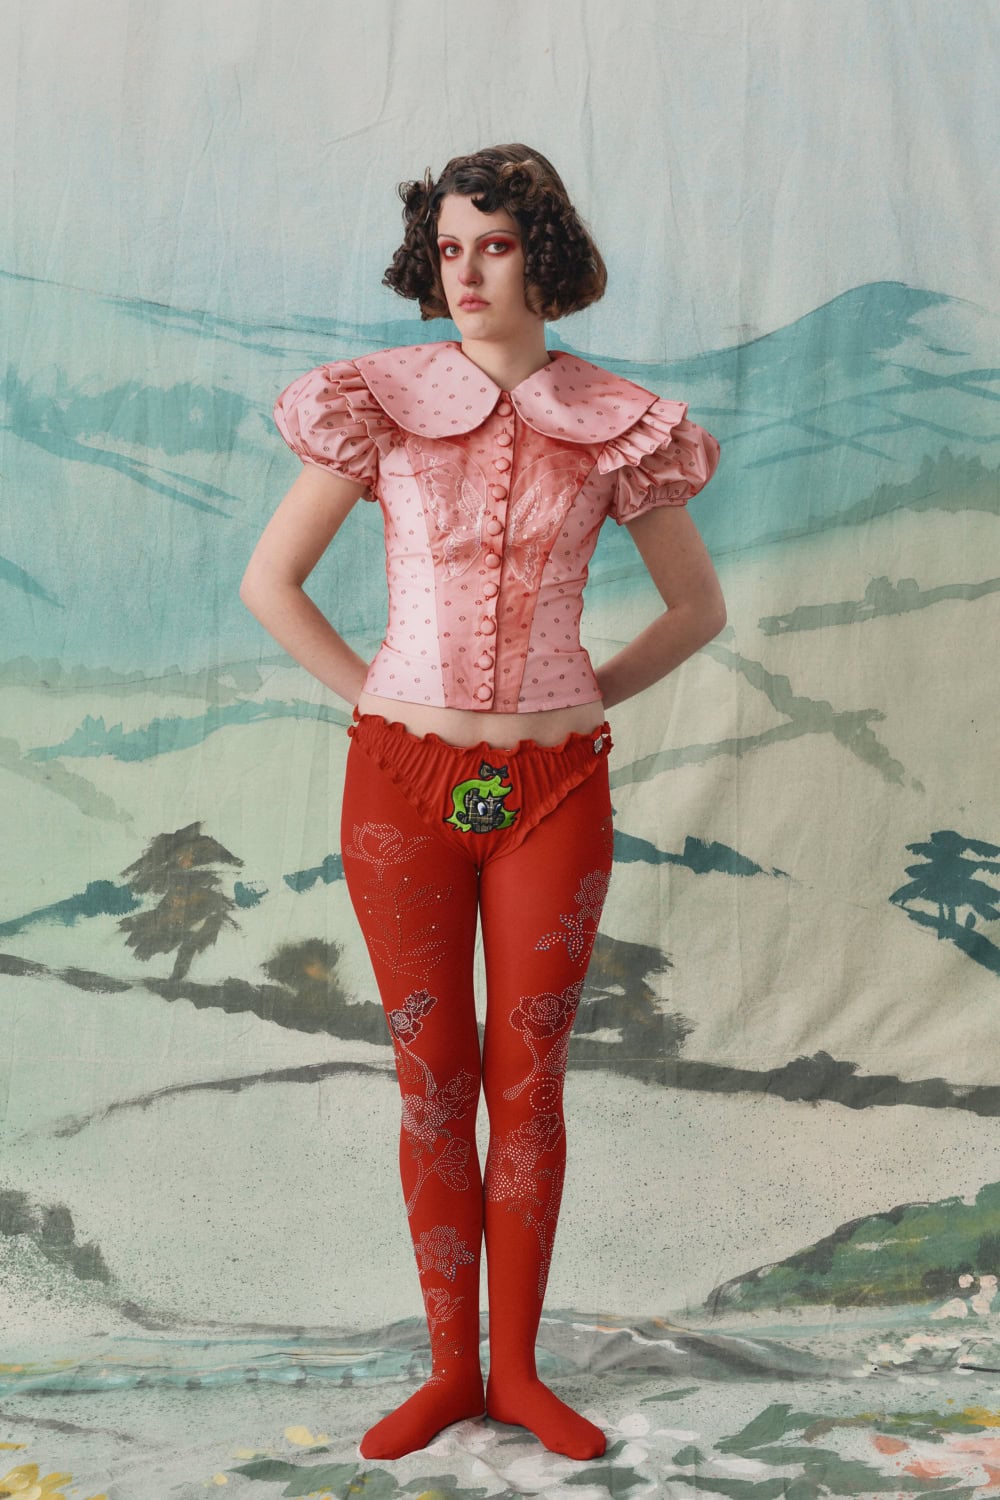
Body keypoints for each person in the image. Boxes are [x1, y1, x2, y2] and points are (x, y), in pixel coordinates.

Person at [240, 143, 725, 1464]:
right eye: (450, 248)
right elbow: (271, 583)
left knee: (532, 1077)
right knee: (432, 1075)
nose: (467, 272)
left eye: (495, 246)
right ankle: (450, 1370)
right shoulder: (381, 406)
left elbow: (697, 609)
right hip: (398, 783)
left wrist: (581, 696)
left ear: (542, 256)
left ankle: (519, 1374)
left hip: (555, 789)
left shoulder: (618, 421)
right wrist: (377, 697)